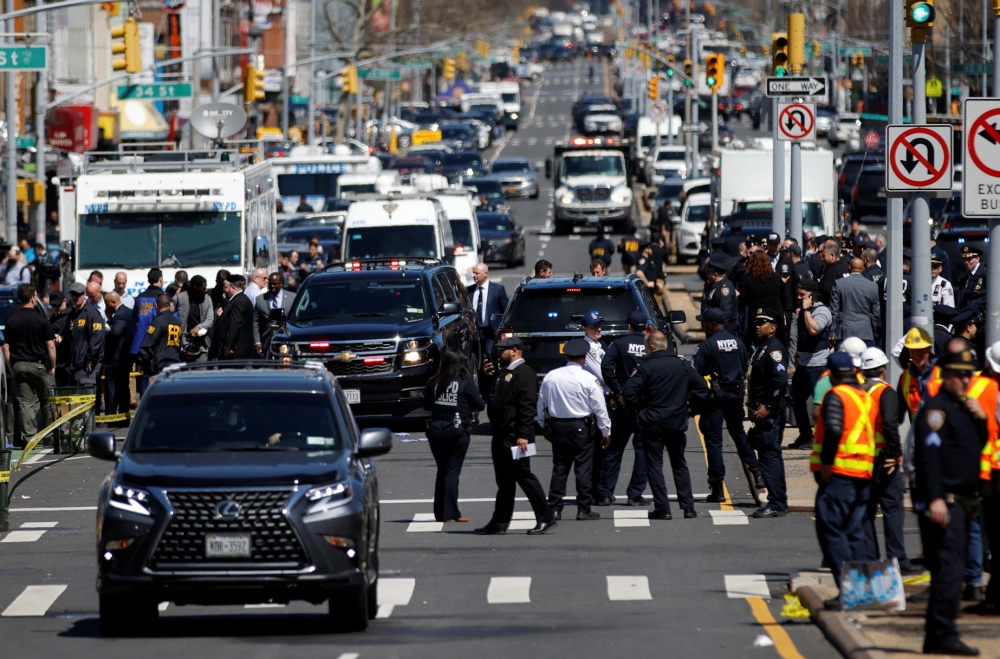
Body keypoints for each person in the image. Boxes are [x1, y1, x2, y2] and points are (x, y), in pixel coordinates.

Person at [913, 348, 988, 656]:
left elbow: (976, 445)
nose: (966, 380)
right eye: (960, 375)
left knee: (951, 569)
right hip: (946, 501)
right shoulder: (937, 410)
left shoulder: (962, 408)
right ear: (945, 376)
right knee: (949, 570)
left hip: (963, 501)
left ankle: (937, 633)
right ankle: (943, 633)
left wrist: (980, 417)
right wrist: (936, 498)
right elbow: (929, 457)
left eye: (969, 374)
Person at [810, 351, 876, 608]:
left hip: (840, 474)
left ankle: (848, 591)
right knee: (854, 532)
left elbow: (835, 429)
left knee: (831, 530)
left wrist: (826, 464)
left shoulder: (836, 395)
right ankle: (860, 590)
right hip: (863, 473)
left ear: (831, 374)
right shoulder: (864, 397)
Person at [624, 331, 711, 520]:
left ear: (652, 348)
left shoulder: (645, 367)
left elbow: (628, 394)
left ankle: (663, 509)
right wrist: (691, 409)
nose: (645, 352)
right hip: (676, 422)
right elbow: (703, 390)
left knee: (655, 465)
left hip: (652, 422)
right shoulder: (683, 365)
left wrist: (640, 409)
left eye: (646, 349)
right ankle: (689, 508)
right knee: (679, 464)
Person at [476, 337, 555, 536]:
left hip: (516, 437)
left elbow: (527, 408)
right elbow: (489, 397)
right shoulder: (504, 373)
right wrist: (486, 377)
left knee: (524, 475)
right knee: (504, 481)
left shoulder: (524, 374)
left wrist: (523, 435)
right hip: (501, 434)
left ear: (514, 351)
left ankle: (546, 517)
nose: (497, 354)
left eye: (501, 350)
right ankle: (499, 522)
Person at [857, 347, 919, 574]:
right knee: (893, 509)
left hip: (862, 459)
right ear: (883, 370)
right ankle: (898, 559)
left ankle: (871, 558)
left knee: (866, 511)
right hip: (884, 459)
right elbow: (891, 426)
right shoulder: (885, 392)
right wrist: (896, 455)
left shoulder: (857, 391)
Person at [692, 307, 763, 503]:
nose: (702, 324)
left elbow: (695, 374)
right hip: (735, 394)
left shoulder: (707, 346)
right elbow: (744, 367)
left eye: (704, 321)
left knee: (714, 441)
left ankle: (717, 488)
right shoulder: (739, 343)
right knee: (738, 434)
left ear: (713, 324)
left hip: (715, 398)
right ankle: (756, 471)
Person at [538, 338, 612, 522]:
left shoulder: (551, 376)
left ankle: (555, 508)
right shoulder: (588, 379)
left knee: (560, 468)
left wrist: (543, 426)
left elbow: (541, 404)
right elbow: (599, 408)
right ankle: (583, 508)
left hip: (558, 426)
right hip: (581, 427)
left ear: (566, 355)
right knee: (583, 469)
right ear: (584, 359)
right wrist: (606, 431)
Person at [423, 349, 485, 523]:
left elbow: (427, 405)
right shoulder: (465, 382)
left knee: (442, 470)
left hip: (436, 430)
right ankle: (450, 513)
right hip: (457, 430)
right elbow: (480, 405)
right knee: (452, 472)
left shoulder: (434, 382)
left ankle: (442, 513)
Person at [599, 310, 650, 506]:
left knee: (614, 449)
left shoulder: (619, 344)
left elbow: (606, 366)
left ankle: (605, 492)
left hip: (623, 404)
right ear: (645, 327)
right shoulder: (650, 345)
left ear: (629, 326)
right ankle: (635, 494)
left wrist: (619, 390)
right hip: (645, 405)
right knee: (642, 450)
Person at [747, 312, 789, 518]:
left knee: (769, 456)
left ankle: (777, 503)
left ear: (773, 327)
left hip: (770, 413)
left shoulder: (774, 349)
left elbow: (780, 381)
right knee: (770, 455)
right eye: (756, 322)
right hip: (763, 411)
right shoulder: (763, 348)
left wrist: (769, 406)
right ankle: (779, 499)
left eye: (762, 323)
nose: (757, 326)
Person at [5, 285, 55, 447]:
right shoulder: (41, 319)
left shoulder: (12, 320)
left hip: (19, 365)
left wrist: (11, 366)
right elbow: (51, 345)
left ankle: (30, 438)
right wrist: (53, 365)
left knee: (25, 404)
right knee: (48, 400)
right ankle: (49, 436)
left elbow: (5, 347)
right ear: (33, 298)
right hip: (39, 365)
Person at [971, 341, 1000, 616]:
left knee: (990, 530)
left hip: (992, 473)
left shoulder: (980, 387)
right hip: (990, 471)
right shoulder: (985, 388)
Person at [790, 279, 833, 449]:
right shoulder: (805, 310)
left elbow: (814, 329)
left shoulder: (822, 311)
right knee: (796, 398)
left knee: (820, 402)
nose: (799, 298)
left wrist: (807, 310)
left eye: (803, 295)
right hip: (803, 362)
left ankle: (823, 438)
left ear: (812, 295)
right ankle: (806, 435)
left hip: (818, 364)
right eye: (798, 295)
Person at [739, 250, 786, 346]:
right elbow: (784, 298)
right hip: (775, 315)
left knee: (758, 347)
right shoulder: (777, 278)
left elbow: (743, 301)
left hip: (757, 316)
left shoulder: (747, 279)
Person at [102, 291, 136, 424]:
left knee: (112, 389)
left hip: (116, 359)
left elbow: (115, 332)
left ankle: (111, 417)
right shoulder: (129, 312)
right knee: (123, 387)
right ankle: (123, 416)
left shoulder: (120, 315)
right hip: (125, 357)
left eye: (107, 303)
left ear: (114, 303)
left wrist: (105, 325)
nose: (106, 306)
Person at [830, 258, 880, 347]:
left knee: (844, 359)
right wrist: (871, 328)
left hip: (844, 330)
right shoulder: (872, 286)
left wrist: (832, 331)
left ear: (849, 267)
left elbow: (834, 310)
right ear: (863, 269)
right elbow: (875, 312)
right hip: (865, 330)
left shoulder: (839, 284)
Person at [130, 268, 164, 397]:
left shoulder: (140, 297)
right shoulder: (163, 298)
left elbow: (135, 318)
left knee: (143, 376)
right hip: (156, 344)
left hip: (139, 343)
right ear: (161, 279)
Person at [469, 263, 509, 363]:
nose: (474, 276)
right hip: (474, 331)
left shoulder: (497, 290)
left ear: (485, 274)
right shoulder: (469, 291)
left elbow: (506, 311)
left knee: (489, 356)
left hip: (490, 331)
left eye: (477, 273)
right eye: (473, 273)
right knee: (475, 358)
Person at [212, 274, 256, 360]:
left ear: (233, 288)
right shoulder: (238, 300)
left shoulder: (239, 302)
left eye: (225, 287)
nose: (224, 290)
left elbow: (234, 325)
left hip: (235, 352)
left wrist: (228, 345)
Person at [137, 293, 181, 376]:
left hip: (161, 365)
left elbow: (148, 343)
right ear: (169, 305)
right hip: (175, 364)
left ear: (156, 305)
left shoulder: (158, 321)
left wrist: (141, 361)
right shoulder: (177, 322)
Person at [253, 272, 296, 357]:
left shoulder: (292, 298)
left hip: (286, 337)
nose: (272, 286)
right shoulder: (260, 299)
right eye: (270, 284)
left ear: (281, 284)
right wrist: (257, 342)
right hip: (266, 341)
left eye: (275, 284)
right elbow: (255, 322)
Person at [898, 326, 935, 421]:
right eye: (912, 350)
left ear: (929, 348)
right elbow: (898, 413)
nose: (916, 354)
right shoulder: (905, 377)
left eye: (920, 349)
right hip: (918, 433)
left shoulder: (944, 372)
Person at [175, 275, 214, 362]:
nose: (206, 290)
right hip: (183, 344)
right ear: (195, 288)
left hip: (202, 344)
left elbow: (210, 319)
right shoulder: (179, 298)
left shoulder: (207, 299)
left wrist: (198, 327)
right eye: (203, 288)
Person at [702, 255, 738, 335]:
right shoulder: (714, 286)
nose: (707, 277)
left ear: (715, 274)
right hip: (713, 328)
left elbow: (725, 312)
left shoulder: (724, 289)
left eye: (708, 274)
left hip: (723, 330)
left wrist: (719, 328)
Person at [818, 240, 850, 305]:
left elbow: (825, 289)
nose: (822, 259)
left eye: (824, 256)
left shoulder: (832, 271)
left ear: (832, 255)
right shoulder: (845, 264)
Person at [959, 245, 987, 314]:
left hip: (978, 313)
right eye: (965, 259)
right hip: (966, 311)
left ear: (977, 259)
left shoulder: (985, 274)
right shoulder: (967, 274)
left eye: (969, 259)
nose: (966, 262)